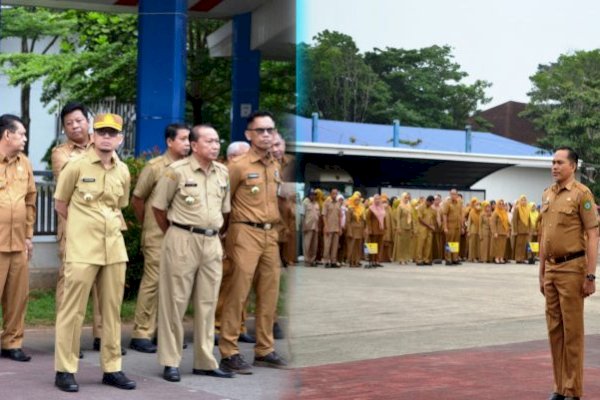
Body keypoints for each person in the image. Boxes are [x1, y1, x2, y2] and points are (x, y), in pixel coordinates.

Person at [54, 113, 135, 392]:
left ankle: (112, 368)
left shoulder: (122, 170)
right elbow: (61, 204)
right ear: (92, 135)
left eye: (112, 133)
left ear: (120, 138)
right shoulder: (75, 166)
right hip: (82, 248)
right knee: (72, 311)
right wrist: (81, 229)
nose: (106, 137)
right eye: (101, 132)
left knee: (112, 312)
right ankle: (65, 369)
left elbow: (120, 204)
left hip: (113, 247)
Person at [153, 124, 233, 382]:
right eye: (209, 141)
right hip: (182, 238)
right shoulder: (176, 172)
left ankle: (205, 361)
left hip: (211, 242)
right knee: (174, 302)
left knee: (208, 303)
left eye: (217, 141)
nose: (215, 145)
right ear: (194, 145)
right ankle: (170, 361)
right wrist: (175, 233)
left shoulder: (223, 173)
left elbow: (225, 211)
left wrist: (217, 237)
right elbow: (158, 208)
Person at [218, 110, 287, 374]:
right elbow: (225, 203)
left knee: (270, 293)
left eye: (270, 130)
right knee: (238, 292)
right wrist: (225, 235)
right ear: (249, 134)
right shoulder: (238, 165)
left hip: (271, 234)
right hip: (244, 232)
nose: (267, 135)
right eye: (261, 131)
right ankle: (229, 351)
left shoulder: (274, 165)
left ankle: (264, 349)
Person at [539, 147, 598, 400]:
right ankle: (559, 387)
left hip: (573, 268)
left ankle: (573, 390)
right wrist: (541, 271)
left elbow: (593, 235)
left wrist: (590, 275)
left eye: (559, 162)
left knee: (572, 331)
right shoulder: (547, 194)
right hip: (551, 268)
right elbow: (544, 236)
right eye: (552, 162)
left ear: (572, 166)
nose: (554, 166)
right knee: (555, 330)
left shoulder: (581, 194)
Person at [128, 123, 190, 353]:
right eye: (183, 138)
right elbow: (137, 200)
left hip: (181, 235)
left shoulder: (190, 168)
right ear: (169, 141)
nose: (187, 143)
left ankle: (166, 332)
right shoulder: (154, 167)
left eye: (189, 139)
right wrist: (147, 225)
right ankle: (141, 333)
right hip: (156, 235)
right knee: (153, 282)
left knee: (175, 285)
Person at [52, 102, 102, 358]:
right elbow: (68, 181)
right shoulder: (60, 152)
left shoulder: (102, 144)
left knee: (103, 282)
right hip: (72, 225)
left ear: (88, 121)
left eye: (79, 120)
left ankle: (102, 336)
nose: (74, 126)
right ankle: (68, 338)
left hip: (101, 226)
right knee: (71, 282)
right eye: (69, 123)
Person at [0, 114, 36, 363]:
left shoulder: (25, 163)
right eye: (21, 133)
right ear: (7, 135)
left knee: (17, 296)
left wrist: (29, 236)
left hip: (18, 243)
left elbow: (30, 201)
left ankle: (12, 342)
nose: (24, 138)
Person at [215, 141, 255, 345]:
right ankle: (217, 324)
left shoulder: (249, 174)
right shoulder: (222, 174)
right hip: (225, 234)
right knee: (225, 280)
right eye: (244, 156)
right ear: (232, 158)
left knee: (242, 281)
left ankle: (239, 325)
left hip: (245, 236)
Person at [442, 189, 464, 265]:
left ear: (457, 195)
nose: (453, 195)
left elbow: (461, 215)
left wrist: (462, 226)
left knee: (455, 242)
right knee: (449, 242)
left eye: (454, 194)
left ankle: (455, 258)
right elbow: (444, 215)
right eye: (451, 194)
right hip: (450, 225)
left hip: (457, 225)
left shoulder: (459, 203)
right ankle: (448, 259)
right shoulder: (447, 203)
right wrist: (445, 227)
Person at [322, 188, 342, 268]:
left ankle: (333, 261)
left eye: (336, 194)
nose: (335, 195)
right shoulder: (326, 202)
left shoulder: (338, 203)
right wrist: (325, 226)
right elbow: (324, 215)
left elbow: (339, 216)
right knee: (327, 245)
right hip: (328, 228)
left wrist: (340, 228)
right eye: (333, 193)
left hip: (336, 228)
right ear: (330, 194)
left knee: (335, 246)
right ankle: (326, 261)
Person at [345, 192, 366, 267]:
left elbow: (363, 220)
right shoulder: (350, 209)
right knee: (352, 246)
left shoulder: (361, 209)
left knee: (358, 246)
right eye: (356, 200)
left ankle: (357, 261)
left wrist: (364, 230)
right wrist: (349, 231)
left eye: (358, 200)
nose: (357, 201)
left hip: (360, 229)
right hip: (353, 229)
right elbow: (348, 221)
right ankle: (351, 261)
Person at [365, 194, 386, 266]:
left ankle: (377, 261)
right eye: (376, 199)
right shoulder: (371, 208)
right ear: (374, 200)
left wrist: (385, 228)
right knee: (372, 245)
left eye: (378, 199)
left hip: (380, 230)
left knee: (379, 246)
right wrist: (369, 229)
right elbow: (367, 219)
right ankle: (371, 261)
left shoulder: (382, 208)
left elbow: (384, 218)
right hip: (373, 230)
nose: (377, 201)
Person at [415, 196, 436, 266]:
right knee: (421, 245)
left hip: (429, 230)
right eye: (431, 203)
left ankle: (425, 259)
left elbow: (433, 218)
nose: (431, 205)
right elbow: (420, 219)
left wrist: (432, 226)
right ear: (428, 201)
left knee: (428, 245)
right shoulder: (420, 207)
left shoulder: (431, 209)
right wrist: (429, 226)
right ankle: (419, 260)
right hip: (422, 229)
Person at [302, 189, 320, 266]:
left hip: (315, 226)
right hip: (308, 226)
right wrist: (303, 225)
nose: (313, 196)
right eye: (312, 194)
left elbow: (318, 216)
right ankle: (307, 260)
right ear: (309, 195)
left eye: (314, 195)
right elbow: (302, 215)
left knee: (314, 245)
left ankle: (312, 260)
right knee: (307, 244)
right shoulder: (305, 202)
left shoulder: (316, 204)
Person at [512, 195, 532, 264]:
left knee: (524, 245)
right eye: (522, 200)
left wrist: (529, 230)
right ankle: (518, 258)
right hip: (519, 230)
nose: (524, 201)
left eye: (525, 200)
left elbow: (529, 220)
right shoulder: (517, 208)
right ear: (520, 201)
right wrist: (515, 230)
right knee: (519, 245)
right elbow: (514, 220)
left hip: (526, 231)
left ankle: (522, 258)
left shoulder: (527, 209)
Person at [490, 199, 510, 264]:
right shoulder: (495, 212)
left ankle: (501, 258)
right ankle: (496, 258)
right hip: (498, 232)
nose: (501, 205)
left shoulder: (504, 212)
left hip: (504, 232)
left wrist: (507, 232)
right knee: (497, 246)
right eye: (500, 204)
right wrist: (494, 232)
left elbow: (507, 223)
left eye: (502, 204)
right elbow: (492, 223)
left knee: (502, 246)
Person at [466, 198, 481, 262]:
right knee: (472, 245)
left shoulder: (480, 212)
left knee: (477, 245)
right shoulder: (471, 212)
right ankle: (471, 257)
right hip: (473, 230)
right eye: (476, 204)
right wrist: (468, 231)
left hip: (479, 230)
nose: (478, 206)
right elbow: (469, 222)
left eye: (478, 204)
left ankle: (476, 257)